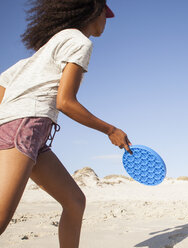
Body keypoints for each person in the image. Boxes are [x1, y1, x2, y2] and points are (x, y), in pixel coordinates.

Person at [0, 1, 132, 247]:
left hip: (29, 131)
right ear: (95, 11)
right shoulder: (80, 42)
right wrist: (111, 130)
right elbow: (65, 102)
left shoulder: (45, 51)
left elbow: (3, 85)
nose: (107, 20)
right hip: (25, 127)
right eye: (106, 13)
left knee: (74, 201)